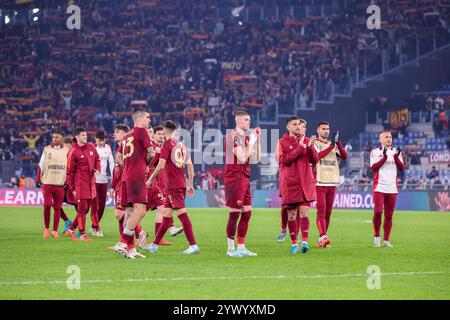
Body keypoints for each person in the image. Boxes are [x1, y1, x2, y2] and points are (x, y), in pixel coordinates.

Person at [144, 120, 199, 255]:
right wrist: (190, 184)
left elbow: (161, 165)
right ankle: (155, 245)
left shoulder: (166, 145)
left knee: (182, 214)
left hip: (173, 186)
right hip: (178, 184)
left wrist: (150, 179)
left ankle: (193, 245)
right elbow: (190, 165)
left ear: (164, 131)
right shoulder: (181, 145)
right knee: (167, 215)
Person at [113, 109, 154, 259]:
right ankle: (123, 242)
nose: (149, 120)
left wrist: (128, 167)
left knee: (129, 212)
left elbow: (118, 158)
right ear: (140, 119)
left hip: (126, 177)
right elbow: (152, 153)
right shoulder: (142, 132)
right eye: (148, 117)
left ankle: (131, 249)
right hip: (137, 177)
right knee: (141, 210)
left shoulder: (126, 136)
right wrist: (146, 165)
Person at [276, 117, 318, 254]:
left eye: (299, 124)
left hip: (305, 182)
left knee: (304, 212)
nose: (297, 126)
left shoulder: (306, 141)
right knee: (292, 214)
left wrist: (310, 147)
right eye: (294, 124)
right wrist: (300, 147)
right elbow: (285, 161)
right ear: (288, 127)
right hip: (290, 183)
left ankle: (304, 241)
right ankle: (294, 243)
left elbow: (314, 160)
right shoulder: (282, 142)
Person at [223, 110, 261, 257]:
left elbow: (256, 159)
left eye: (249, 120)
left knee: (247, 212)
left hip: (244, 177)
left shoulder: (245, 138)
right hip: (234, 178)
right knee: (234, 213)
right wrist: (251, 141)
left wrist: (256, 141)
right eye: (246, 120)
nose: (248, 122)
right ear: (238, 121)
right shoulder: (233, 136)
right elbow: (243, 157)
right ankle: (230, 249)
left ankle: (241, 247)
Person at [312, 122, 347, 248]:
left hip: (332, 181)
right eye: (323, 129)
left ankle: (322, 238)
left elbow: (344, 156)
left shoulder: (332, 144)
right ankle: (323, 236)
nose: (326, 131)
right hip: (320, 181)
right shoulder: (315, 143)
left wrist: (338, 143)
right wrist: (332, 144)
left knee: (328, 213)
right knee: (321, 211)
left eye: (327, 129)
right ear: (318, 130)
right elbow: (317, 157)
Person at [146, 125, 183, 245]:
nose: (161, 136)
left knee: (163, 207)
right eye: (158, 134)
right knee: (138, 210)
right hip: (150, 181)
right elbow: (152, 163)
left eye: (162, 134)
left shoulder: (161, 147)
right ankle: (136, 234)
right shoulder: (150, 148)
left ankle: (161, 236)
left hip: (159, 181)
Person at [64, 128, 101, 242]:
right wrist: (72, 188)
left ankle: (70, 230)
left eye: (86, 135)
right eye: (83, 135)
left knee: (86, 210)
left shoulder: (91, 147)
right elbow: (69, 172)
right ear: (76, 137)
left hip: (91, 184)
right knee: (81, 210)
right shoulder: (73, 152)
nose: (85, 137)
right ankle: (83, 234)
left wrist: (97, 168)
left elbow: (97, 159)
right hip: (80, 185)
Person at [370, 130, 405, 248]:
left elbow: (402, 167)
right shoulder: (375, 152)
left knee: (389, 216)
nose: (389, 139)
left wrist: (396, 157)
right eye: (386, 137)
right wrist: (384, 157)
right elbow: (374, 168)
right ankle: (376, 237)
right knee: (378, 212)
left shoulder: (396, 152)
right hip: (379, 187)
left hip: (392, 189)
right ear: (380, 140)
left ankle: (386, 241)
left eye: (390, 137)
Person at [36, 129, 69, 238]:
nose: (55, 139)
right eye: (53, 137)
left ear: (62, 138)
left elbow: (69, 168)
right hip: (47, 182)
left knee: (57, 208)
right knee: (47, 205)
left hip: (60, 184)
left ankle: (55, 231)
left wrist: (68, 181)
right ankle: (46, 229)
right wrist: (38, 179)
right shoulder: (47, 149)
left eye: (57, 137)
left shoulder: (67, 150)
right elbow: (41, 165)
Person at [90, 131, 114, 237]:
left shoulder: (107, 148)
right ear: (95, 139)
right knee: (95, 206)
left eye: (102, 140)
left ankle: (93, 226)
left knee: (102, 206)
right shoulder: (91, 148)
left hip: (104, 181)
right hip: (94, 181)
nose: (101, 142)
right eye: (99, 140)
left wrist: (114, 178)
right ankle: (96, 228)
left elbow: (111, 163)